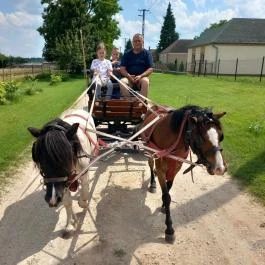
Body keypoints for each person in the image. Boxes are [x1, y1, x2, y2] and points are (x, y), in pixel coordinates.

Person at [120, 33, 153, 98]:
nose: (137, 42)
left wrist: (141, 76)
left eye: (139, 41)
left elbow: (150, 69)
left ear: (142, 42)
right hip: (129, 78)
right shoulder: (127, 54)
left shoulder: (147, 54)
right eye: (135, 41)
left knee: (146, 81)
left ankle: (140, 104)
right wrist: (129, 76)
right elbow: (122, 69)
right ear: (132, 42)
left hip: (141, 78)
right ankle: (129, 102)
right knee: (122, 81)